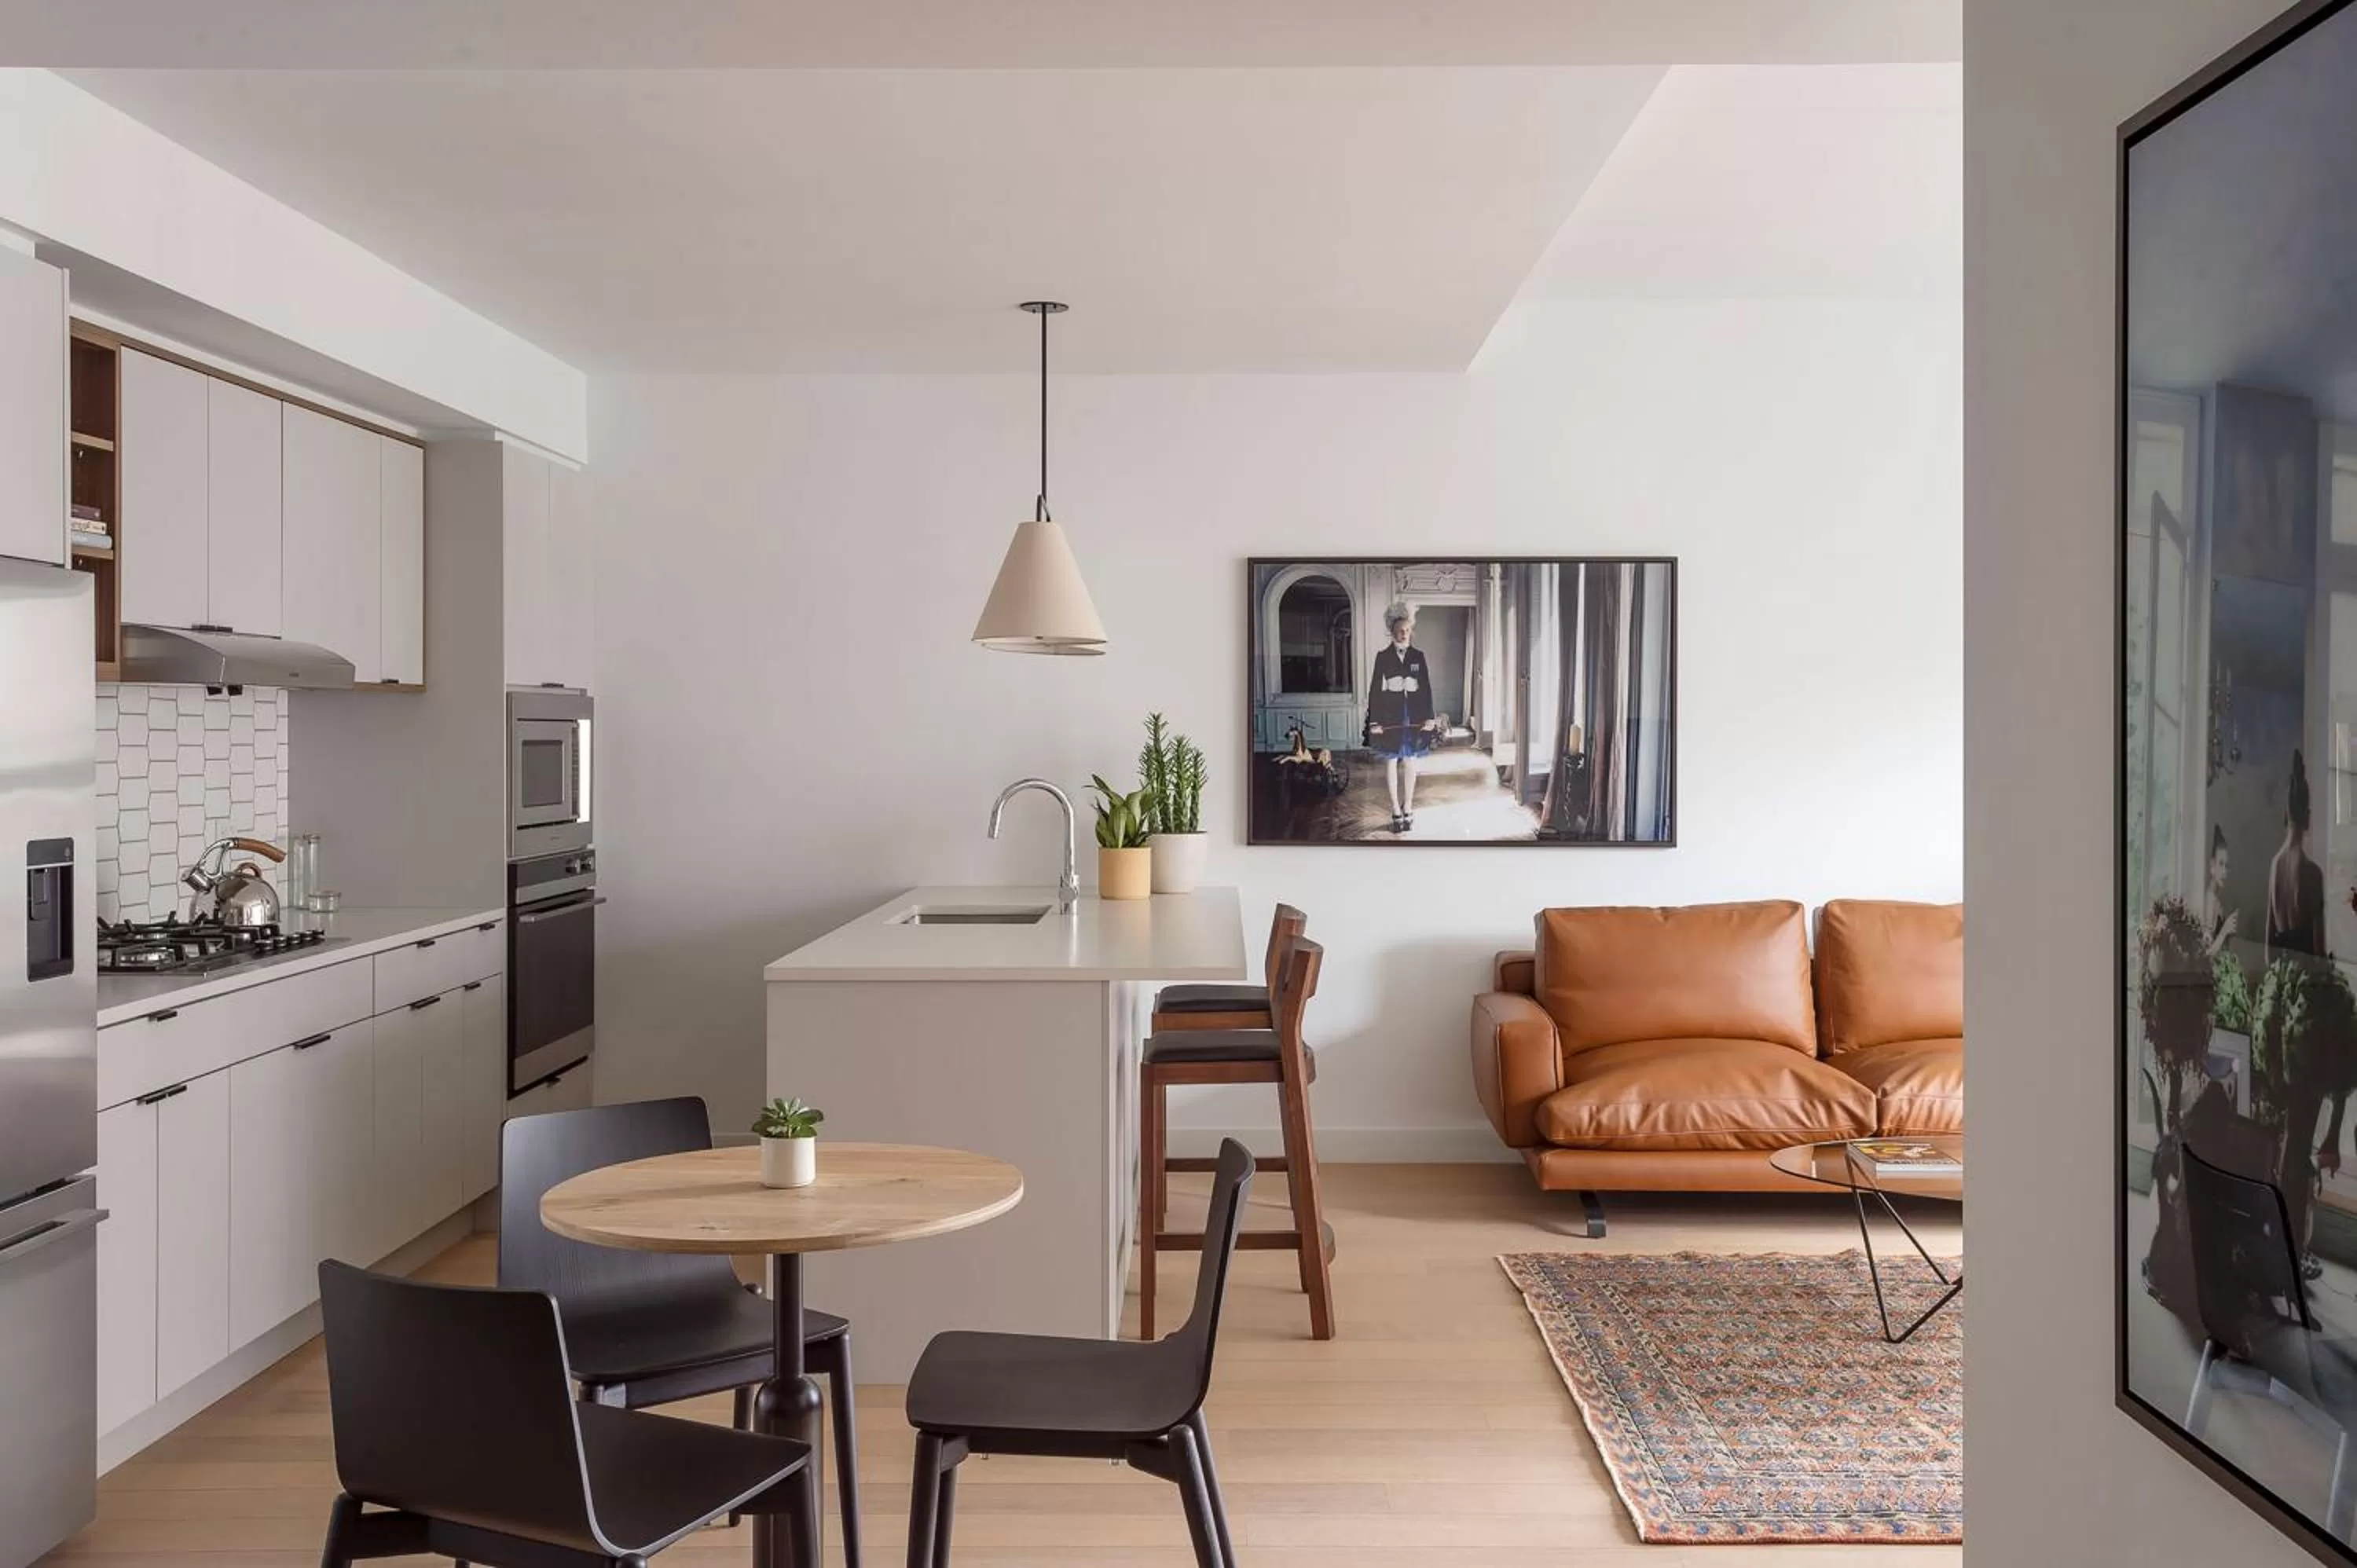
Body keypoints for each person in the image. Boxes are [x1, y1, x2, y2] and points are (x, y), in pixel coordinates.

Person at [1364, 601, 1439, 834]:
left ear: (1411, 631)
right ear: (1392, 632)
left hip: (1414, 715)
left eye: (1407, 630)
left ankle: (1408, 807)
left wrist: (1429, 717)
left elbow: (1426, 688)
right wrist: (1374, 721)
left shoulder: (1418, 656)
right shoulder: (1382, 657)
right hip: (1390, 716)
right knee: (1391, 760)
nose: (1404, 634)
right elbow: (1375, 690)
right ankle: (1395, 809)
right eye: (1399, 630)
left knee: (1410, 760)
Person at [2267, 751, 2326, 961]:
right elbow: (2318, 953)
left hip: (2279, 976)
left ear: (2285, 816)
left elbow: (2268, 954)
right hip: (2305, 977)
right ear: (2308, 817)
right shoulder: (2313, 873)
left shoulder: (2275, 866)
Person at [2205, 825, 2238, 958]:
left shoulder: (2217, 901)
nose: (2224, 871)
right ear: (2212, 865)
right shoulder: (2210, 901)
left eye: (2227, 866)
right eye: (2221, 864)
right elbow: (2206, 956)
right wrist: (2225, 930)